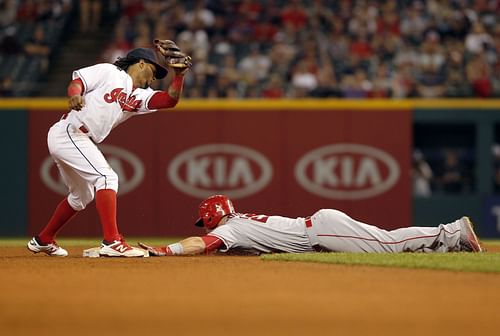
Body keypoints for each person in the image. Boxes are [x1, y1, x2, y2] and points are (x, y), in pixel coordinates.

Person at [28, 41, 191, 257]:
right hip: (70, 132)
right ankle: (112, 241)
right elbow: (78, 82)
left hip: (78, 138)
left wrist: (179, 76)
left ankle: (43, 239)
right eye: (153, 71)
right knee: (107, 177)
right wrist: (74, 94)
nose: (154, 78)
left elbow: (169, 100)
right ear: (141, 63)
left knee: (81, 196)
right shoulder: (110, 71)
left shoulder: (139, 95)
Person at [139, 194, 483, 257]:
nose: (205, 227)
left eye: (205, 221)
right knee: (384, 243)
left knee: (387, 244)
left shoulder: (229, 229)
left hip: (317, 230)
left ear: (213, 215)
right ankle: (448, 240)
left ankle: (452, 232)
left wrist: (165, 249)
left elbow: (203, 244)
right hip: (319, 228)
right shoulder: (240, 224)